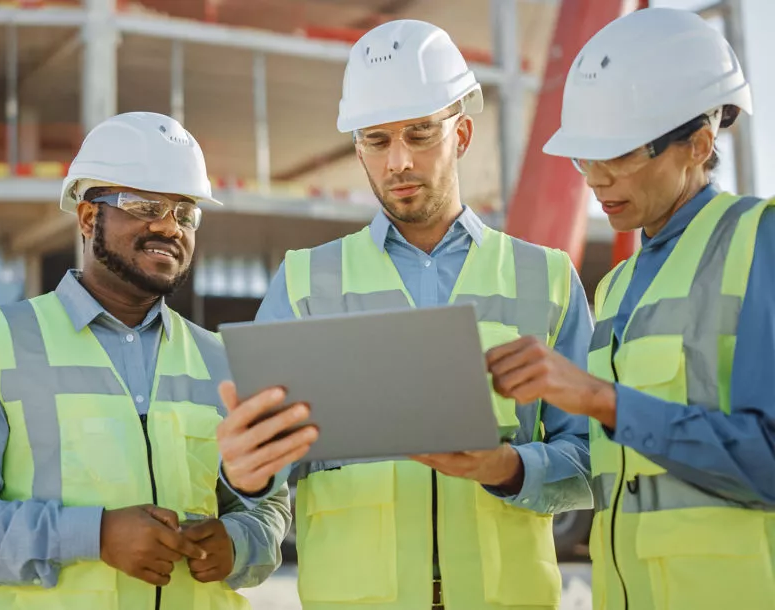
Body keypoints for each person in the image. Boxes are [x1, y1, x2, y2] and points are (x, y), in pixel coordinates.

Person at [216, 19, 595, 610]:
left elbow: (594, 459)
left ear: (462, 134)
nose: (397, 162)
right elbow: (261, 475)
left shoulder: (544, 279)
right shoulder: (304, 283)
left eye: (420, 135)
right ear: (358, 146)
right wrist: (243, 469)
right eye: (376, 140)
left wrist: (508, 468)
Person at [0, 112, 291, 609]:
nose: (168, 226)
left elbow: (268, 504)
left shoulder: (221, 361)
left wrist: (238, 543)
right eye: (145, 205)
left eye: (184, 212)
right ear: (89, 217)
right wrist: (94, 535)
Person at [484, 8, 775, 610]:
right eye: (585, 157)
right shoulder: (614, 288)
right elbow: (616, 470)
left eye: (617, 156)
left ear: (698, 143)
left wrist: (598, 399)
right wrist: (505, 466)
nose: (594, 179)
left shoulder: (758, 243)